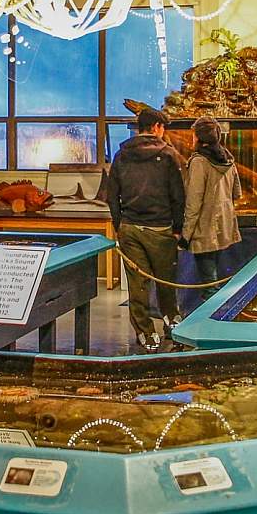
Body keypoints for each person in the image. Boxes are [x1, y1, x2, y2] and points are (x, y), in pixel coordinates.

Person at [105, 106, 186, 353]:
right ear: (158, 128)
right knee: (165, 281)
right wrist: (177, 228)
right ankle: (171, 323)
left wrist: (120, 225)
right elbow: (178, 196)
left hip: (130, 228)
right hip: (161, 228)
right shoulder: (169, 155)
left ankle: (145, 333)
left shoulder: (121, 155)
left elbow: (112, 195)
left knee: (137, 284)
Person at [182, 116, 242, 294]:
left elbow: (193, 202)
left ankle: (212, 320)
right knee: (215, 279)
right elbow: (237, 193)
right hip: (224, 228)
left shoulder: (199, 162)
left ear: (200, 138)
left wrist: (186, 235)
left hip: (204, 230)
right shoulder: (228, 159)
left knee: (210, 285)